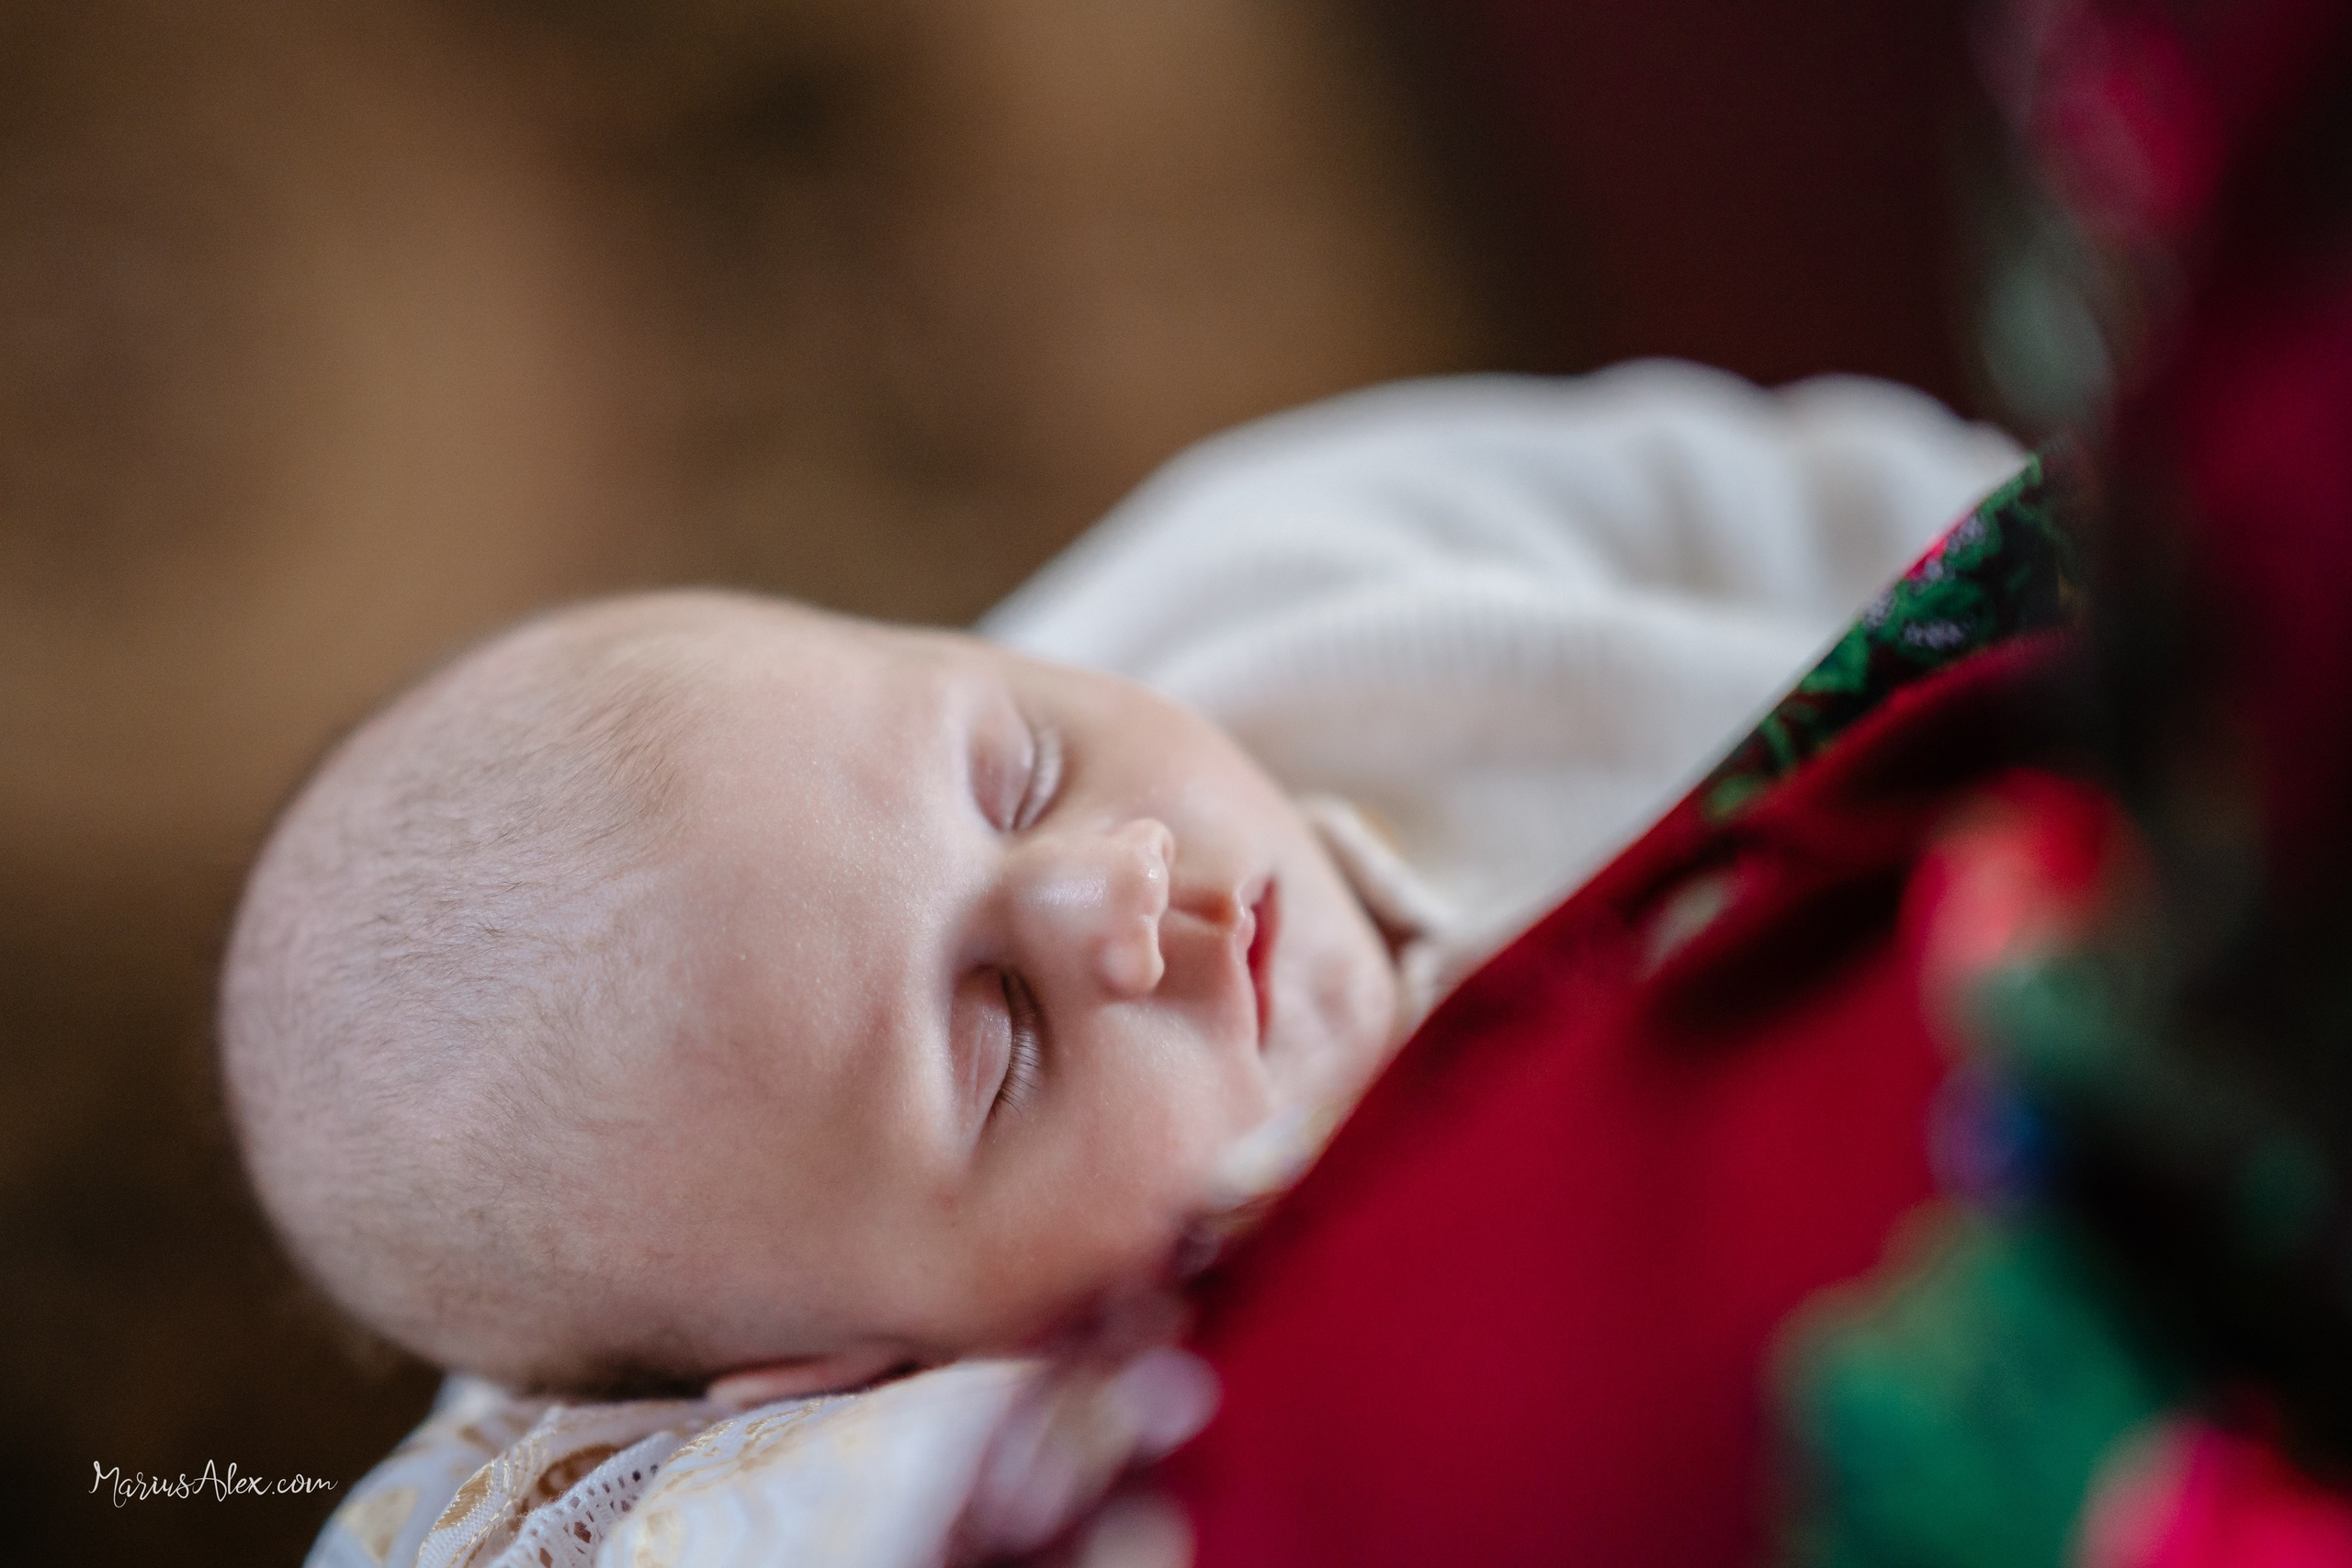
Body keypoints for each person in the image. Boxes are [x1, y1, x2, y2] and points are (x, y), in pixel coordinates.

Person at [230, 361, 2022, 1568]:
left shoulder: (1273, 574)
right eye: (1002, 1036)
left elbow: (1775, 493)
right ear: (851, 1362)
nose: (1115, 892)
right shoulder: (1206, 1374)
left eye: (1018, 771)